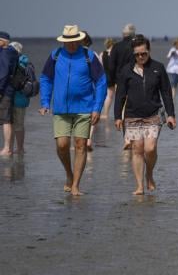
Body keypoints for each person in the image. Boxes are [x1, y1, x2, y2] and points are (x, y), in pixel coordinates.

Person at [39, 25, 107, 195]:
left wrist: (97, 108)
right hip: (61, 109)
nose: (71, 44)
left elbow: (101, 82)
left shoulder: (88, 56)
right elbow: (46, 78)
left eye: (74, 41)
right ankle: (69, 174)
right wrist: (45, 102)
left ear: (79, 39)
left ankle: (76, 185)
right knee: (62, 145)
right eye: (67, 41)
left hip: (84, 108)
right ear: (63, 41)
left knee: (80, 145)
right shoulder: (55, 55)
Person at [114, 34, 176, 195]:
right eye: (137, 54)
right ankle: (139, 186)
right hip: (132, 116)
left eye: (144, 53)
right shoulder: (126, 70)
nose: (140, 57)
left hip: (153, 115)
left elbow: (166, 93)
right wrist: (117, 117)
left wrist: (171, 114)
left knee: (150, 148)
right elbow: (120, 94)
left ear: (149, 51)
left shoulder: (158, 67)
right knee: (137, 149)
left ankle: (149, 174)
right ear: (133, 54)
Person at [108, 23, 136, 148]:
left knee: (123, 109)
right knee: (133, 109)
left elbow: (111, 66)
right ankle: (132, 137)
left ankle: (127, 139)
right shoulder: (135, 46)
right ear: (133, 34)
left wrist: (111, 82)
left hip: (120, 81)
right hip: (135, 81)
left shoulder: (116, 47)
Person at [8, 42, 37, 155]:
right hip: (23, 98)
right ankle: (20, 148)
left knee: (10, 124)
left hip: (11, 97)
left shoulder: (12, 62)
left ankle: (9, 148)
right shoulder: (27, 63)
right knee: (19, 125)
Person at [0, 31, 19, 156]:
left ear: (3, 41)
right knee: (8, 119)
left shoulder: (5, 53)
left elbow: (4, 73)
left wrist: (0, 90)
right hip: (9, 89)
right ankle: (8, 147)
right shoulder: (12, 52)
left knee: (6, 119)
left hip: (4, 90)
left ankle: (7, 148)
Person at [99, 37, 115, 119]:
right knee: (121, 96)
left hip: (107, 76)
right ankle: (122, 114)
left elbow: (100, 66)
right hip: (116, 76)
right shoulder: (115, 53)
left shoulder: (102, 54)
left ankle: (105, 114)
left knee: (109, 96)